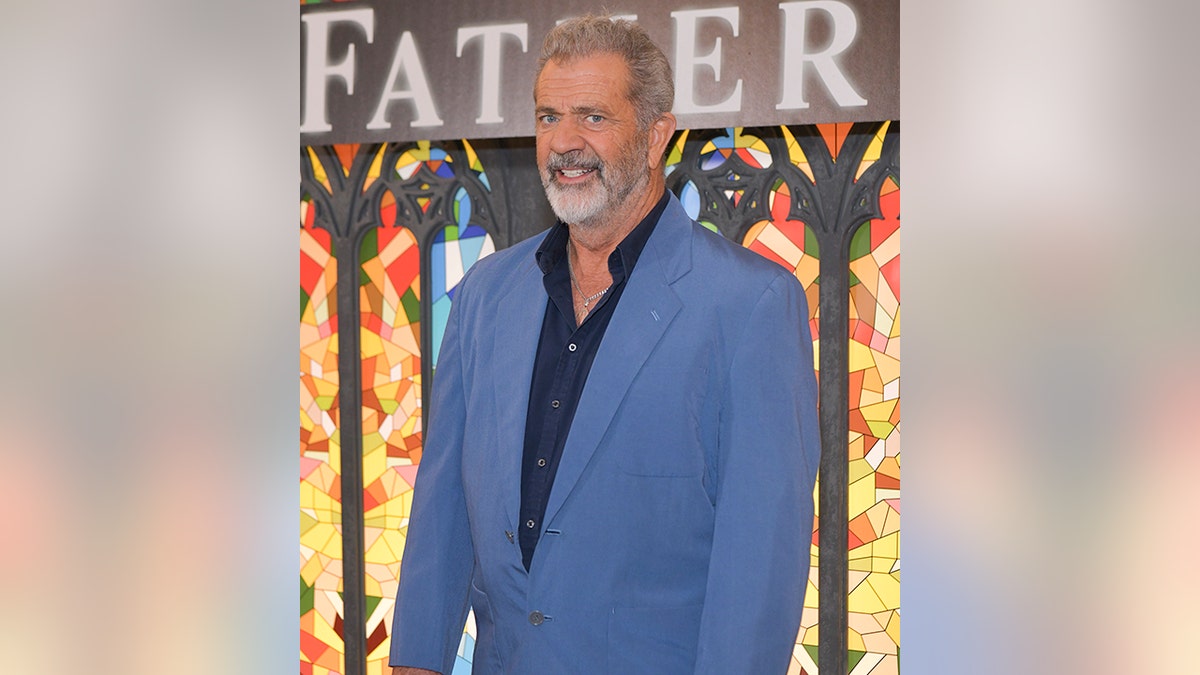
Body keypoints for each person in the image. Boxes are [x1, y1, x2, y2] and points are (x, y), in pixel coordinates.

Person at [389, 15, 819, 675]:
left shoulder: (751, 306)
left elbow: (759, 569)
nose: (563, 142)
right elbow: (441, 509)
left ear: (655, 137)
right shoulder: (482, 296)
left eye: (592, 117)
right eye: (548, 116)